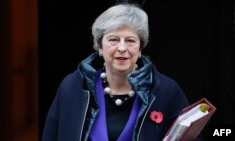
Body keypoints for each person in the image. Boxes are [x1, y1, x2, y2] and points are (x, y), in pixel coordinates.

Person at [42, 2, 202, 141]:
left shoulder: (166, 91)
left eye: (130, 41)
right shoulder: (73, 87)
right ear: (99, 47)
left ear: (140, 49)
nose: (122, 48)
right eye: (113, 39)